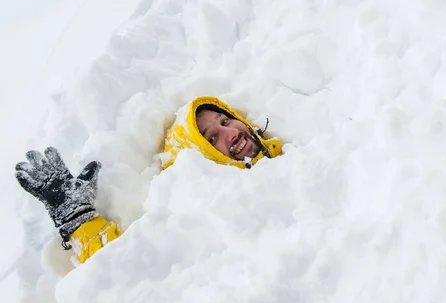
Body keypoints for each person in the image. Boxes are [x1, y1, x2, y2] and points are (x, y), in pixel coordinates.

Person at [15, 96, 283, 264]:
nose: (229, 133)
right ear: (199, 160)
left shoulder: (293, 155)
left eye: (225, 121)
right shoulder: (197, 211)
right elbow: (129, 267)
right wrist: (78, 220)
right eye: (211, 140)